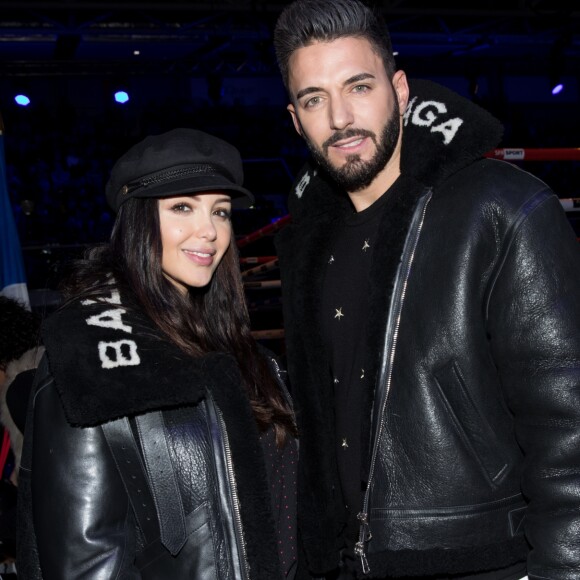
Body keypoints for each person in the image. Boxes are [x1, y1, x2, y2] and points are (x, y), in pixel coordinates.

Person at [272, 1, 580, 579]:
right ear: (295, 118)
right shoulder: (305, 242)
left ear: (400, 88)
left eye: (358, 86)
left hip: (483, 558)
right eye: (315, 99)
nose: (340, 118)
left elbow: (570, 429)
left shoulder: (499, 207)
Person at [17, 128, 298, 579]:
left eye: (221, 211)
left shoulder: (247, 355)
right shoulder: (95, 352)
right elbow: (85, 563)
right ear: (137, 219)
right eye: (183, 207)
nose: (209, 230)